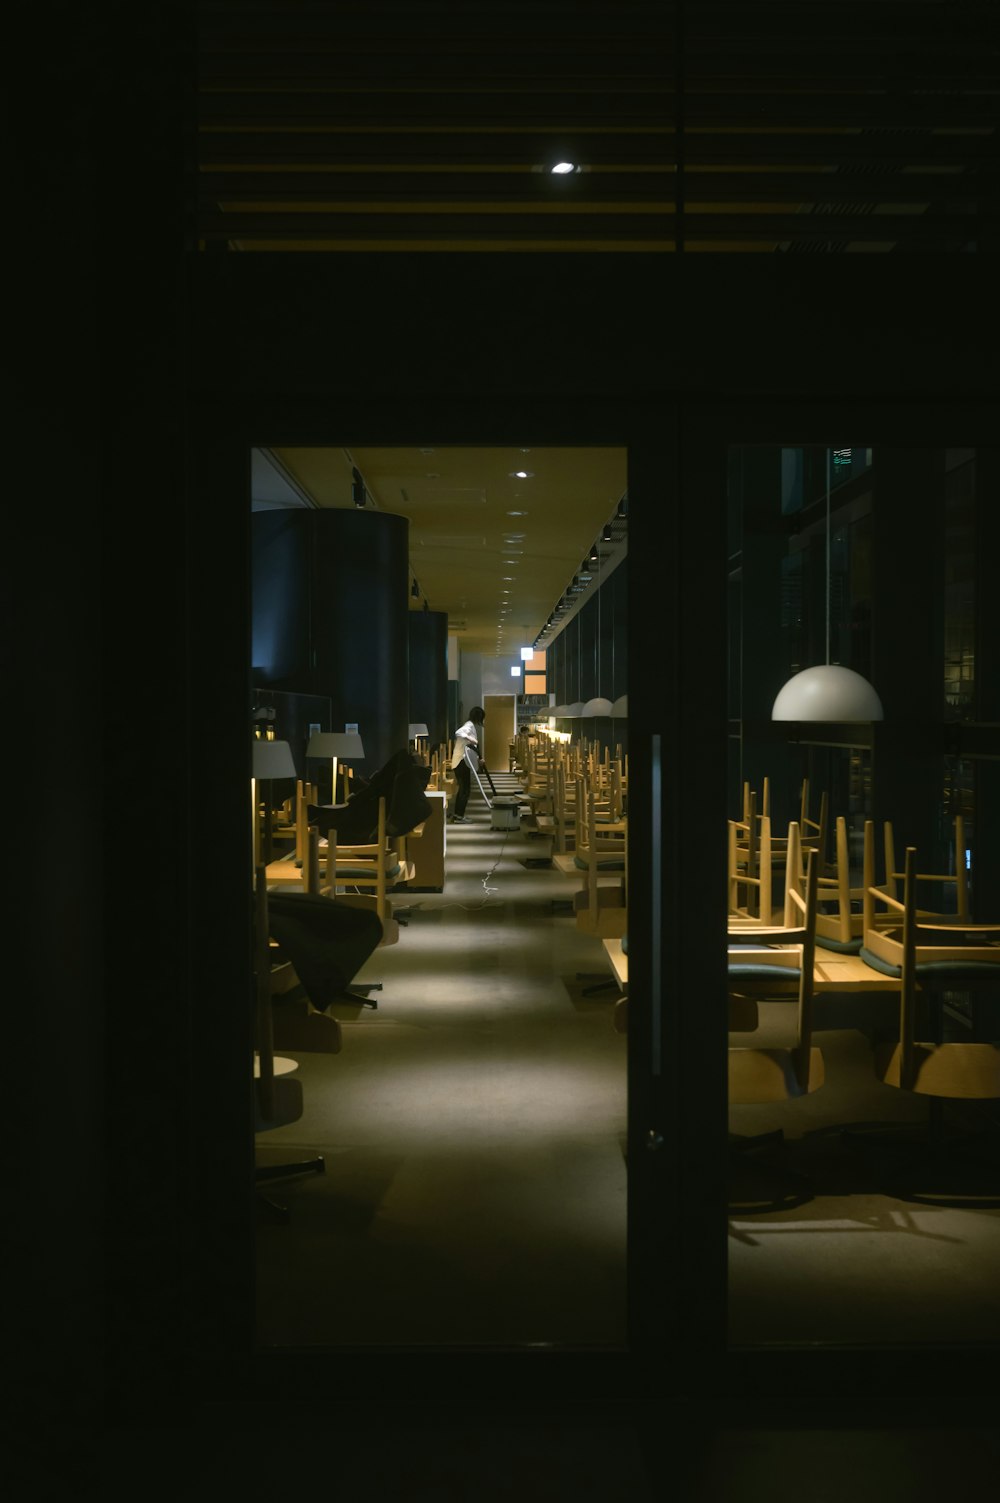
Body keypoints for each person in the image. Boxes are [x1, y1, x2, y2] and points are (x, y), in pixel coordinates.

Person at [449, 705, 485, 822]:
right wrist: (472, 739)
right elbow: (458, 732)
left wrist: (479, 759)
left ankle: (458, 815)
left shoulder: (471, 726)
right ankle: (459, 816)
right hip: (461, 762)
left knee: (463, 790)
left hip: (461, 762)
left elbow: (471, 749)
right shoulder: (468, 725)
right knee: (465, 790)